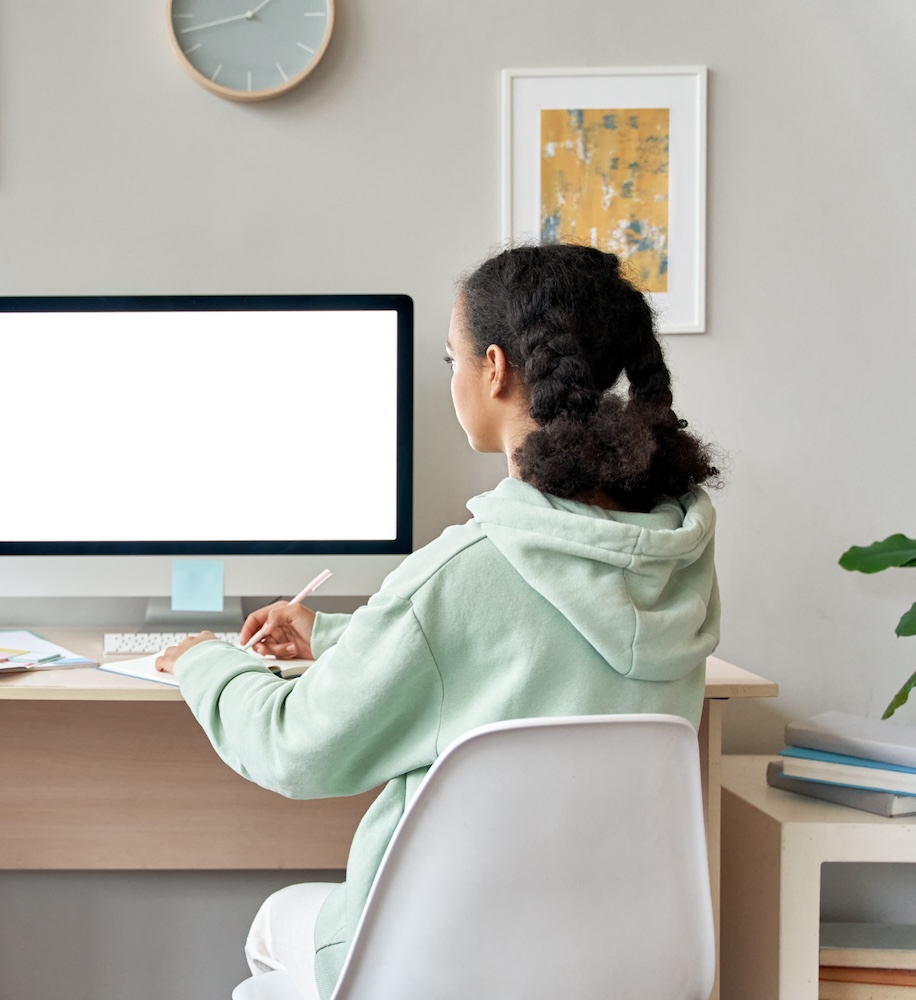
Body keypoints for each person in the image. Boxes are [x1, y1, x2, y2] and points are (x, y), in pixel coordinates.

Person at [155, 243, 722, 1000]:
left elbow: (294, 748)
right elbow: (514, 646)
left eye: (450, 357)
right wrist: (328, 636)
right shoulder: (674, 559)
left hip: (447, 963)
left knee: (275, 924)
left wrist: (203, 661)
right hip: (620, 965)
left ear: (494, 370)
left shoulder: (466, 570)